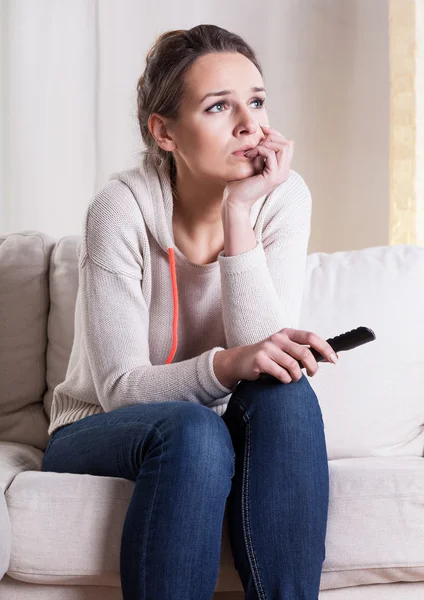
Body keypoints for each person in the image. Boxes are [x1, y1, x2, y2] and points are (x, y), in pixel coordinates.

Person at [42, 23, 336, 600]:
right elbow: (120, 388)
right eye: (218, 107)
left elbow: (266, 354)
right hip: (98, 425)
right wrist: (226, 365)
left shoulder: (282, 198)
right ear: (165, 132)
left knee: (287, 388)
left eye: (255, 101)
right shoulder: (119, 209)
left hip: (223, 422)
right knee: (194, 428)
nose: (250, 124)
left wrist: (239, 218)